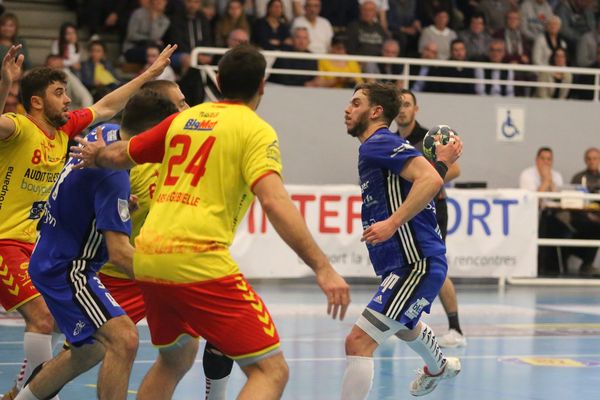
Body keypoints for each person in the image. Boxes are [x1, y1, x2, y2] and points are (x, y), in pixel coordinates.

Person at [70, 44, 350, 399]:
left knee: (175, 358)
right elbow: (275, 201)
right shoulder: (256, 130)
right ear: (262, 85)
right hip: (197, 258)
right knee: (271, 371)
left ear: (217, 80)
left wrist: (96, 156)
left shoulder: (186, 118)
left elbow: (123, 153)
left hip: (149, 257)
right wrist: (323, 267)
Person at [0, 43, 177, 400]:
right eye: (59, 93)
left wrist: (149, 76)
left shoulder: (79, 133)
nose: (68, 100)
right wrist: (5, 84)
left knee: (89, 346)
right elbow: (119, 251)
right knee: (62, 323)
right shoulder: (18, 128)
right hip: (13, 244)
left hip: (36, 242)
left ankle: (22, 394)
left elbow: (107, 105)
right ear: (36, 102)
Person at [96, 79, 234, 399]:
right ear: (160, 113)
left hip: (164, 264)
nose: (188, 109)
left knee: (186, 350)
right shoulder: (123, 159)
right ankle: (28, 390)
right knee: (81, 354)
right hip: (119, 273)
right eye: (180, 104)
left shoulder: (183, 148)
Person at [340, 82, 462, 400]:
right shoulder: (380, 145)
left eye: (355, 103)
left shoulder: (378, 142)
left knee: (358, 342)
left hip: (414, 263)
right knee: (406, 325)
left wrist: (392, 223)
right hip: (407, 262)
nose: (347, 109)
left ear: (376, 111)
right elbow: (426, 177)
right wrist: (441, 162)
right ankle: (438, 367)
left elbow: (430, 179)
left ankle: (438, 367)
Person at [394, 89, 466, 348]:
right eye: (398, 105)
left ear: (416, 109)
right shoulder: (391, 141)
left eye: (407, 104)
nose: (402, 109)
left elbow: (454, 168)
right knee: (401, 264)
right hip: (406, 210)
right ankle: (395, 321)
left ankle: (456, 329)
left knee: (436, 265)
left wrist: (424, 181)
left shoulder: (430, 139)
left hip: (433, 208)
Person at [519, 147, 566, 276]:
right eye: (542, 159)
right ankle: (540, 266)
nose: (546, 162)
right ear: (536, 160)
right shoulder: (527, 174)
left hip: (554, 215)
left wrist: (551, 183)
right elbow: (532, 201)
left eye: (549, 159)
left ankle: (555, 267)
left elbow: (558, 199)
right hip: (530, 215)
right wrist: (545, 181)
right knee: (545, 219)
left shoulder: (557, 175)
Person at [568, 147, 600, 276]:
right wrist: (590, 216)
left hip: (597, 217)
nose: (592, 161)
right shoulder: (578, 177)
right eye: (589, 158)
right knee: (595, 228)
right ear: (585, 160)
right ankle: (586, 264)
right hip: (580, 216)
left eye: (595, 158)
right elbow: (573, 202)